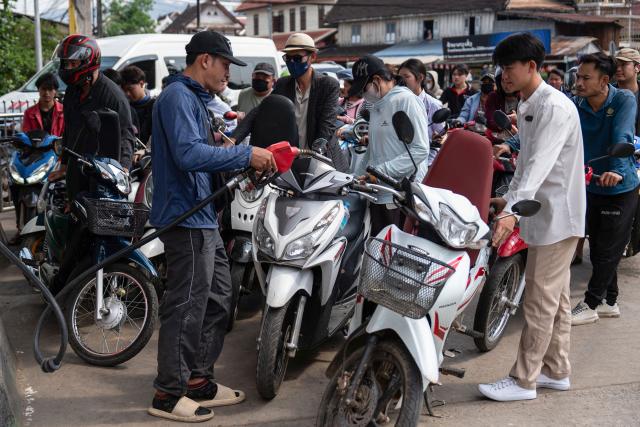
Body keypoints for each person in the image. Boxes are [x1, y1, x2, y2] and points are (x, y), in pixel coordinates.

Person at [148, 30, 277, 423]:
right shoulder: (177, 98)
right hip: (185, 218)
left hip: (204, 218)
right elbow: (187, 154)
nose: (228, 74)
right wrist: (244, 154)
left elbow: (202, 150)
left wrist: (231, 150)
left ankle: (197, 379)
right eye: (225, 65)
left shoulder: (195, 101)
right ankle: (168, 393)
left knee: (220, 296)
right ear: (204, 60)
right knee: (186, 306)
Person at [479, 33, 585, 402]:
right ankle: (557, 371)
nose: (503, 75)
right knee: (554, 301)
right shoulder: (528, 106)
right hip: (540, 213)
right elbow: (525, 167)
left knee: (538, 301)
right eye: (501, 68)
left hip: (557, 217)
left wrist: (510, 212)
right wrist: (505, 199)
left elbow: (538, 168)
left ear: (531, 67)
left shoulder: (553, 108)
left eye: (509, 68)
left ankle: (524, 380)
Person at [47, 35, 135, 295]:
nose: (66, 69)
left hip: (103, 174)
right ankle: (74, 282)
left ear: (87, 63)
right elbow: (70, 131)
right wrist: (64, 164)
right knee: (76, 226)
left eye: (71, 64)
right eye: (65, 64)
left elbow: (126, 135)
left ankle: (102, 285)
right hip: (77, 167)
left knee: (100, 230)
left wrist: (123, 170)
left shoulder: (112, 96)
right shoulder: (73, 92)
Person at [570, 53, 639, 326]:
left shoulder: (623, 100)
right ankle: (610, 301)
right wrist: (512, 144)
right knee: (597, 246)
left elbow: (622, 136)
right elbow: (548, 124)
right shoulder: (576, 103)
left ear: (604, 81)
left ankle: (590, 303)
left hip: (620, 187)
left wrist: (618, 171)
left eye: (586, 78)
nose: (579, 82)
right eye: (578, 76)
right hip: (591, 184)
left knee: (607, 250)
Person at [351, 55, 430, 234]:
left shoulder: (405, 101)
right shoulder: (377, 106)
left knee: (391, 251)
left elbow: (420, 149)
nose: (363, 94)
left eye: (364, 88)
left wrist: (380, 174)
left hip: (399, 196)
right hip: (378, 192)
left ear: (377, 80)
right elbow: (373, 150)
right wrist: (355, 177)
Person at [272, 33, 340, 148]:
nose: (292, 62)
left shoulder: (328, 85)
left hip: (319, 157)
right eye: (288, 58)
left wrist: (318, 149)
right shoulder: (283, 84)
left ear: (312, 57)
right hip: (290, 157)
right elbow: (262, 110)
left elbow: (327, 125)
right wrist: (234, 138)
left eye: (297, 58)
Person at [398, 58, 444, 165]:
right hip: (400, 160)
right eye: (399, 77)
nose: (401, 81)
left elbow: (441, 135)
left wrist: (438, 138)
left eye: (406, 76)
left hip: (426, 162)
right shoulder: (395, 102)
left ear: (420, 78)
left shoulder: (433, 104)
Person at [120, 65, 155, 144]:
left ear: (142, 84)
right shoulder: (124, 107)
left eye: (130, 89)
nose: (127, 93)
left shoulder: (154, 107)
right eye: (124, 90)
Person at [614, 48, 640, 136]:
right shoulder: (606, 94)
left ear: (637, 67)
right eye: (616, 65)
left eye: (624, 64)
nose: (618, 69)